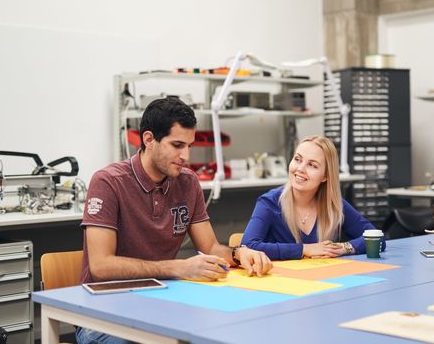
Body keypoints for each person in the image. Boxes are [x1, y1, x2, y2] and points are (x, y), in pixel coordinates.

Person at [77, 97, 272, 344]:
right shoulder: (108, 182)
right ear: (148, 139)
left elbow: (210, 247)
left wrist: (238, 254)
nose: (186, 155)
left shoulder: (188, 183)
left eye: (189, 146)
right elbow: (101, 266)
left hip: (163, 304)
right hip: (105, 313)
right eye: (177, 145)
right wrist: (178, 268)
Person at [241, 135, 385, 260]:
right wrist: (305, 249)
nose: (300, 169)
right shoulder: (269, 203)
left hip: (323, 282)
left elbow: (378, 239)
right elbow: (247, 246)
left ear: (325, 176)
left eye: (312, 165)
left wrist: (344, 248)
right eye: (297, 159)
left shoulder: (334, 205)